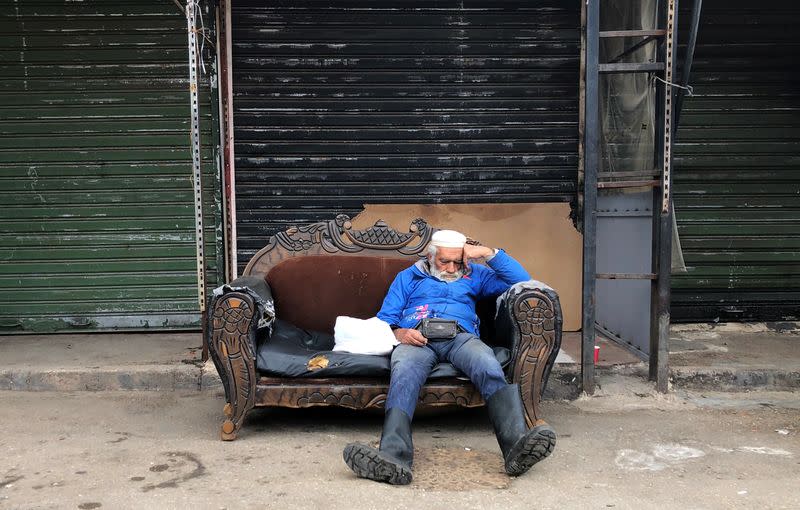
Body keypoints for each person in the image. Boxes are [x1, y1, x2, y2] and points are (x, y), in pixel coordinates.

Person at [343, 229, 556, 485]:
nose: (452, 267)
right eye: (445, 261)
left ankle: (516, 448)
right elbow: (385, 320)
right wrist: (400, 333)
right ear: (431, 256)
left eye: (458, 261)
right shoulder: (408, 277)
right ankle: (393, 458)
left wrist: (487, 253)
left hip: (461, 337)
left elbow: (521, 280)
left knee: (487, 364)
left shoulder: (474, 274)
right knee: (403, 373)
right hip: (417, 338)